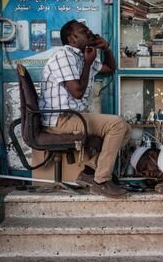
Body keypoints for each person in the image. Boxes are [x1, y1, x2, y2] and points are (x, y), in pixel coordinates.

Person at [39, 19, 130, 198]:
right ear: (72, 39)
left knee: (125, 129)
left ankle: (90, 173)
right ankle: (101, 181)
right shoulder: (64, 56)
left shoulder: (82, 56)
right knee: (117, 124)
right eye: (83, 31)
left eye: (88, 29)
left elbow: (110, 68)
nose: (89, 33)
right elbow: (77, 92)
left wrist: (106, 49)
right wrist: (88, 63)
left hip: (75, 117)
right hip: (60, 120)